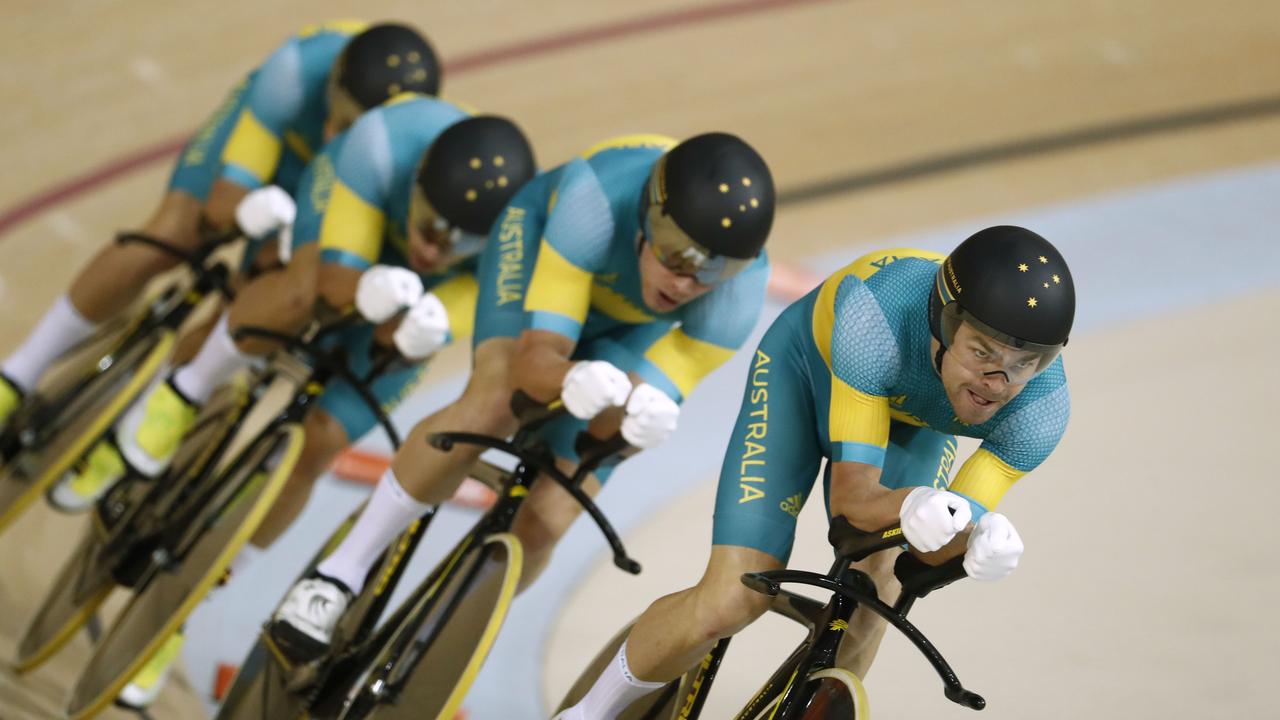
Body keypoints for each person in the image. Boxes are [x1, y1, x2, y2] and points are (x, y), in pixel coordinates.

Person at [268, 132, 778, 663]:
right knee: (494, 401)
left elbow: (607, 436)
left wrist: (632, 428)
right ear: (650, 216)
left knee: (556, 509)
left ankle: (443, 643)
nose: (688, 282)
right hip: (540, 254)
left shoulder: (735, 301)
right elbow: (537, 361)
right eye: (677, 255)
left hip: (627, 330)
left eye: (715, 270)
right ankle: (337, 575)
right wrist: (568, 379)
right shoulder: (595, 201)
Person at [104, 96, 536, 710]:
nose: (438, 249)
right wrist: (357, 286)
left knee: (321, 441)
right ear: (415, 184)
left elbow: (471, 312)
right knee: (295, 297)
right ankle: (183, 392)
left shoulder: (511, 241)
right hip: (342, 223)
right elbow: (330, 278)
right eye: (432, 227)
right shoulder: (382, 145)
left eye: (462, 244)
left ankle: (184, 606)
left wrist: (429, 327)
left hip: (418, 296)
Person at [557, 226, 1074, 719]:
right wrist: (911, 505)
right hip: (807, 374)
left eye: (1023, 364)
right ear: (943, 326)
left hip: (909, 419)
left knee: (873, 609)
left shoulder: (1040, 412)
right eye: (982, 352)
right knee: (730, 599)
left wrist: (973, 548)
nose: (997, 382)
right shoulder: (877, 316)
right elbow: (853, 505)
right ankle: (585, 714)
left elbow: (932, 547)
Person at [0, 20, 441, 429]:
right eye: (338, 117)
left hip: (340, 196)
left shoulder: (394, 158)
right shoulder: (297, 68)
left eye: (351, 132)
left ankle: (148, 418)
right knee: (171, 235)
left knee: (253, 299)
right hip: (276, 151)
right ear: (331, 86)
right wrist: (235, 213)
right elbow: (226, 195)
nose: (334, 137)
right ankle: (20, 372)